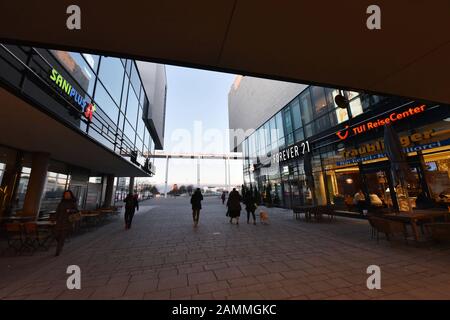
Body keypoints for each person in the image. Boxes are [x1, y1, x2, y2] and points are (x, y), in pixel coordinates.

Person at [54, 190, 78, 257]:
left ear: (70, 195)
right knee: (56, 234)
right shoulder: (61, 202)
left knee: (62, 236)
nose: (67, 195)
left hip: (67, 221)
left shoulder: (73, 202)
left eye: (68, 194)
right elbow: (57, 211)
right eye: (65, 194)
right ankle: (60, 244)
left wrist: (70, 210)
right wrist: (54, 219)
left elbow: (76, 210)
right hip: (59, 221)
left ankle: (58, 250)